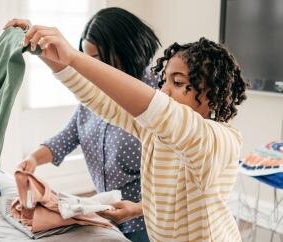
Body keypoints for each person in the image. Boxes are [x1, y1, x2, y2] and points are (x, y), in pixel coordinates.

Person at [20, 25, 248, 241]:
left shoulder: (222, 139)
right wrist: (45, 52)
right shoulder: (155, 133)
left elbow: (164, 112)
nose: (165, 91)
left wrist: (75, 57)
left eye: (177, 83)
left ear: (212, 92)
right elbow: (98, 99)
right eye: (164, 81)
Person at [5, 7, 161, 242]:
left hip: (147, 221)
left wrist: (138, 208)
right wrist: (34, 159)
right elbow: (69, 136)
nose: (88, 65)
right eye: (84, 56)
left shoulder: (156, 96)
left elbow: (176, 181)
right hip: (109, 217)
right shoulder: (95, 93)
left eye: (95, 58)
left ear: (123, 50)